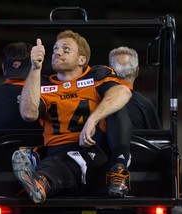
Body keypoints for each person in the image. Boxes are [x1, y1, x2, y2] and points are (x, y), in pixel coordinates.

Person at [12, 30, 133, 204]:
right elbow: (28, 114)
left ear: (81, 60)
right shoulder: (44, 83)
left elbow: (123, 92)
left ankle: (119, 170)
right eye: (55, 49)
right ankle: (40, 183)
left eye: (66, 50)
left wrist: (92, 120)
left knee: (115, 107)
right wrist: (35, 67)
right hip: (58, 153)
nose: (57, 52)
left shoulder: (96, 76)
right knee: (58, 164)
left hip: (93, 148)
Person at [108, 46, 182, 207]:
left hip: (105, 179)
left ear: (110, 71)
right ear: (137, 72)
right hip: (143, 183)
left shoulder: (96, 103)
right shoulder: (144, 105)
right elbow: (157, 145)